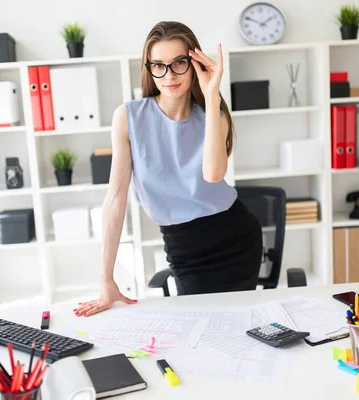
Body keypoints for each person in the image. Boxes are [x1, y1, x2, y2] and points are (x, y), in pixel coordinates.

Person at [74, 21, 262, 318]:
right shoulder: (128, 118)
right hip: (183, 246)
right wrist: (106, 278)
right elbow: (115, 198)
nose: (169, 75)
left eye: (178, 64)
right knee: (200, 326)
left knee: (233, 325)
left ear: (194, 63)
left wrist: (212, 94)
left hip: (235, 240)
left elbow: (213, 174)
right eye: (158, 66)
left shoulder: (213, 115)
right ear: (148, 68)